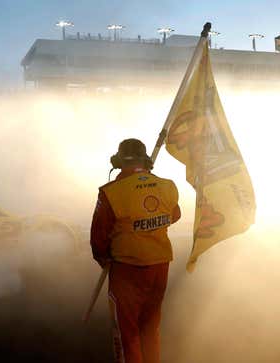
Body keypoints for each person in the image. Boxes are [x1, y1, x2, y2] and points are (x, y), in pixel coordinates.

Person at [90, 138, 181, 363]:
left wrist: (104, 258)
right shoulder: (167, 185)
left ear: (118, 161)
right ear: (146, 160)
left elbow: (99, 237)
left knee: (126, 332)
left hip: (127, 268)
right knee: (150, 328)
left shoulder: (111, 192)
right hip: (160, 265)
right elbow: (175, 215)